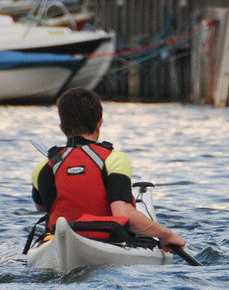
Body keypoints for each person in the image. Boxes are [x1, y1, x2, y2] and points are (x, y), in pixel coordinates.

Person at [31, 88, 187, 252]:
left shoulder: (43, 167)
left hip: (58, 242)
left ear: (62, 127)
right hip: (109, 243)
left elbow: (41, 207)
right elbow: (123, 213)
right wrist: (166, 235)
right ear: (100, 123)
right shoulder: (113, 159)